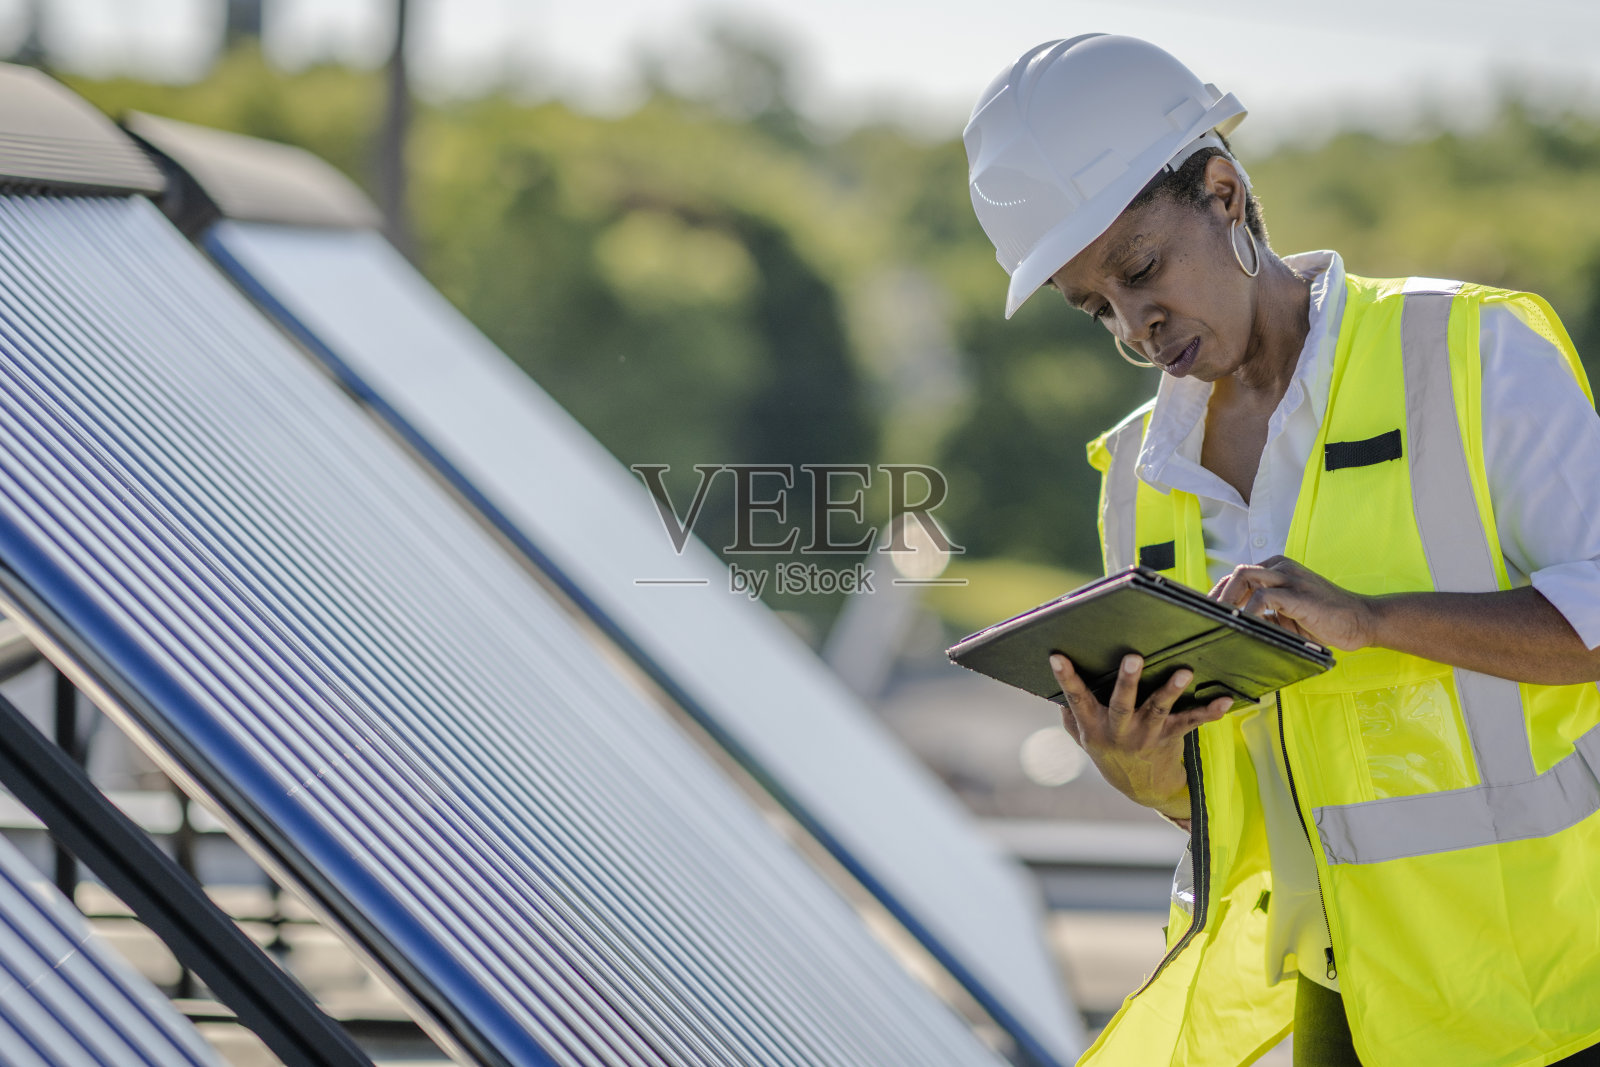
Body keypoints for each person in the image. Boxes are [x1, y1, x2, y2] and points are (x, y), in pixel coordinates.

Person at [963, 34, 1600, 1067]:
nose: (1134, 325)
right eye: (1096, 306)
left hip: (1552, 998)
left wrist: (1373, 620)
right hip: (1338, 1013)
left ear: (1222, 192)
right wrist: (1149, 770)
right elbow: (1237, 786)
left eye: (1138, 269)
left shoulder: (1470, 350)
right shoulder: (1139, 474)